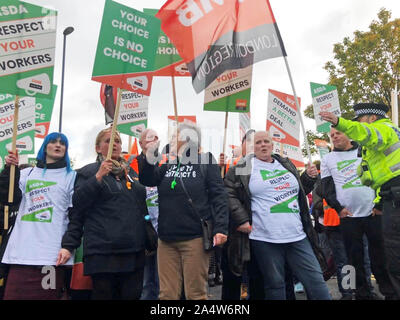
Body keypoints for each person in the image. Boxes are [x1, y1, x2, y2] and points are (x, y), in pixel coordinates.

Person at [224, 131, 331, 300]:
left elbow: (299, 192)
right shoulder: (242, 167)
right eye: (258, 142)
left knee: (315, 280)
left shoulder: (286, 164)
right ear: (252, 147)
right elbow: (228, 193)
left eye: (266, 141)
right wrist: (241, 219)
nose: (263, 145)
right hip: (264, 238)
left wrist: (309, 179)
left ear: (272, 145)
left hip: (297, 235)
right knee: (275, 284)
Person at [138, 122, 229, 300]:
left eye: (174, 136)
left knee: (195, 294)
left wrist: (221, 228)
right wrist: (149, 155)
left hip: (194, 238)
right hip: (166, 240)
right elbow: (147, 179)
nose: (170, 140)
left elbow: (219, 196)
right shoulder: (168, 164)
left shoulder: (205, 161)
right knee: (167, 295)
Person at [321, 103, 400, 298]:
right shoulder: (328, 159)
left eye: (338, 132)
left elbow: (380, 176)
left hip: (374, 212)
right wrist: (338, 208)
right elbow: (325, 188)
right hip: (348, 216)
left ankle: (388, 291)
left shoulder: (367, 147)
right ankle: (356, 293)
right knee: (350, 260)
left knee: (381, 257)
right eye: (332, 136)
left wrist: (379, 204)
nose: (335, 136)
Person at [61, 127, 148, 300]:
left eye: (117, 141)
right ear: (98, 148)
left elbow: (140, 205)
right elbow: (78, 203)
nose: (114, 144)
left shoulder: (130, 172)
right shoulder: (87, 172)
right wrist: (98, 176)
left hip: (133, 250)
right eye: (108, 141)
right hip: (103, 253)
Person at [0, 133, 76, 300]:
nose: (58, 145)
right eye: (53, 142)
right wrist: (9, 169)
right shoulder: (27, 173)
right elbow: (8, 198)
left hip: (52, 255)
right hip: (20, 254)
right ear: (44, 147)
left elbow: (75, 216)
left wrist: (68, 246)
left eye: (63, 143)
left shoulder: (72, 177)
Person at [139, 129, 160, 300]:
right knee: (146, 284)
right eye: (148, 138)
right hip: (143, 232)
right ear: (140, 143)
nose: (152, 141)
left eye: (155, 138)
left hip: (164, 233)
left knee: (163, 283)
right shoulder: (132, 164)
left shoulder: (166, 163)